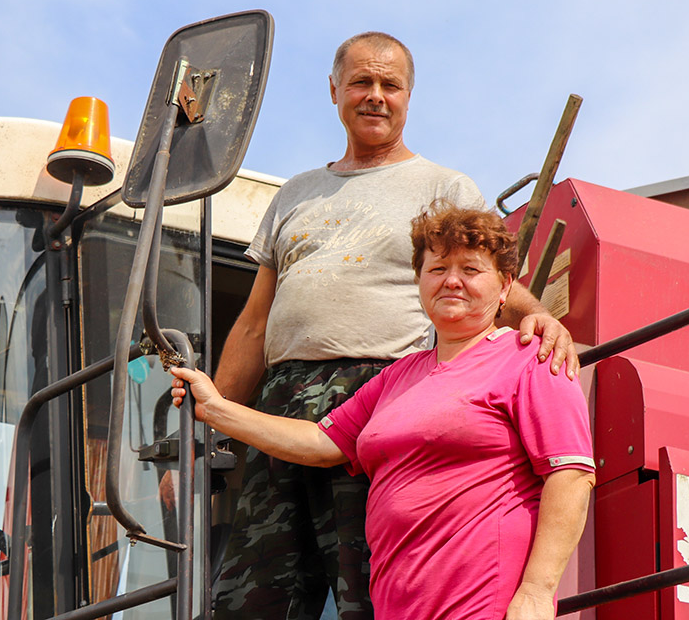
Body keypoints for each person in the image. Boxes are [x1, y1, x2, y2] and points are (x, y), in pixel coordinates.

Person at [203, 31, 578, 619]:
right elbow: (254, 325)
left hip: (379, 395)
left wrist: (541, 320)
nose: (375, 95)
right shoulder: (295, 194)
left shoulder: (443, 187)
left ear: (408, 97)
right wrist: (214, 430)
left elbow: (482, 276)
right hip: (281, 403)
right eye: (361, 82)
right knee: (253, 592)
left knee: (364, 589)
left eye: (390, 85)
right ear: (334, 91)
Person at [171, 204, 594, 619]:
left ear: (504, 287)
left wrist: (537, 592)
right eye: (437, 268)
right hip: (397, 604)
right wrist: (216, 407)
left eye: (471, 269)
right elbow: (320, 441)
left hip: (483, 602)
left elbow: (571, 474)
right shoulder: (398, 377)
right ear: (419, 282)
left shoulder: (529, 359)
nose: (452, 281)